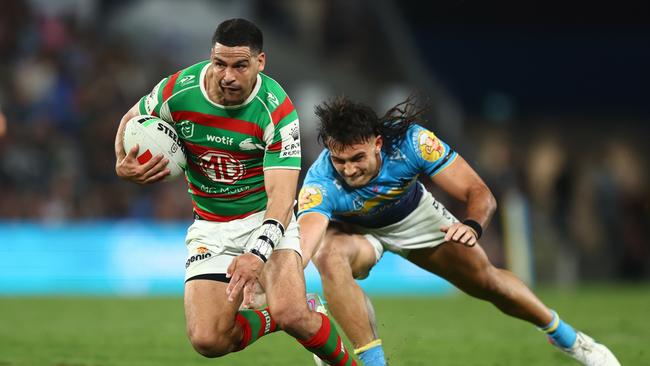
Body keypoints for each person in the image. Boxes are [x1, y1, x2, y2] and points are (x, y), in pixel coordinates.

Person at [297, 96, 621, 366]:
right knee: (329, 254)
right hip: (354, 233)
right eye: (340, 161)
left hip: (414, 218)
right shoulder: (319, 182)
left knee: (489, 283)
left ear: (378, 143)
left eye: (357, 158)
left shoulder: (414, 143)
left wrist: (472, 225)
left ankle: (570, 339)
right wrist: (287, 275)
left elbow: (479, 192)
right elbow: (308, 238)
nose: (349, 169)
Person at [114, 19, 355, 365]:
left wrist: (256, 255)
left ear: (260, 62)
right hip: (211, 225)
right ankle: (282, 313)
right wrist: (121, 161)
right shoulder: (178, 90)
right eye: (219, 63)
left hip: (266, 217)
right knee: (207, 339)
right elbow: (131, 118)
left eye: (239, 65)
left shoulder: (277, 110)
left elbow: (282, 200)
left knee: (294, 315)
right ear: (211, 58)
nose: (227, 75)